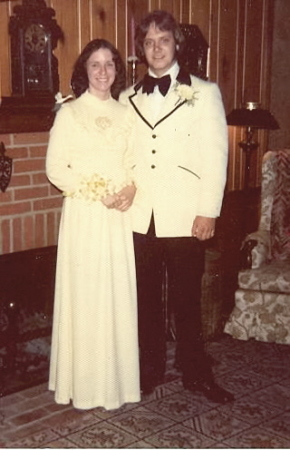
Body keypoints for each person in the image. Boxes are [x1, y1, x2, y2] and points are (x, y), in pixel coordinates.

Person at [120, 10, 234, 403]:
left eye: (163, 40)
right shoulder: (127, 97)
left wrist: (209, 211)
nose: (156, 48)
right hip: (140, 218)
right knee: (146, 300)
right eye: (149, 42)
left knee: (187, 301)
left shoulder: (204, 92)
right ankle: (149, 370)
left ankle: (195, 371)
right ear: (141, 50)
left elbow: (216, 156)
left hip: (186, 216)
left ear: (175, 44)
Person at [46, 39, 140, 410]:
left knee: (113, 297)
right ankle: (84, 386)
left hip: (117, 219)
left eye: (110, 65)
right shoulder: (68, 114)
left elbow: (133, 164)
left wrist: (130, 189)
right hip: (85, 217)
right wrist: (94, 192)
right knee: (86, 297)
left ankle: (113, 384)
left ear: (118, 71)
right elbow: (55, 169)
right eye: (95, 65)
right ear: (84, 71)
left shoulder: (126, 114)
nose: (103, 72)